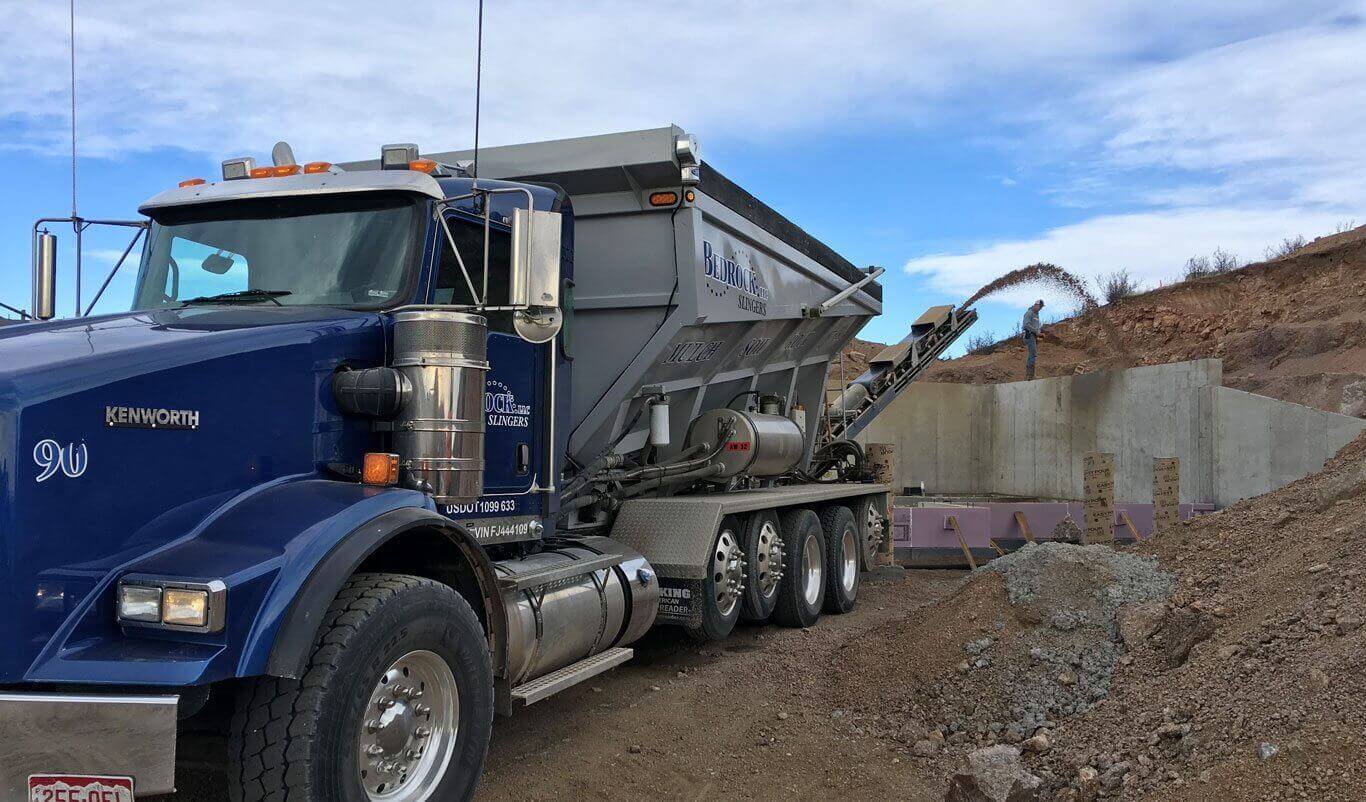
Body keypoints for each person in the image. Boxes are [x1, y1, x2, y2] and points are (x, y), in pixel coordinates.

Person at [1022, 299, 1044, 380]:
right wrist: (1036, 332)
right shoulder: (1029, 313)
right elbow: (1025, 325)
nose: (1040, 308)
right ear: (1036, 305)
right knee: (1032, 353)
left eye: (1041, 307)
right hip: (1029, 335)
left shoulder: (1036, 314)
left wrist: (1039, 333)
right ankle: (1029, 376)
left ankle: (1030, 375)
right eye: (1040, 306)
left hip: (1033, 336)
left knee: (1033, 354)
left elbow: (1036, 326)